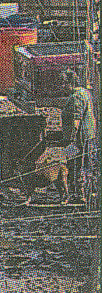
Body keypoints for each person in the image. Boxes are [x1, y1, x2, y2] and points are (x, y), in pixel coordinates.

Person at [61, 69, 97, 203]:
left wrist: (69, 141)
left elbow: (76, 121)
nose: (62, 87)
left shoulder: (76, 97)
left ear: (71, 82)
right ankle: (88, 192)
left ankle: (80, 195)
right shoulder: (85, 92)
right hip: (88, 135)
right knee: (88, 164)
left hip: (79, 138)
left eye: (64, 83)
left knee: (77, 165)